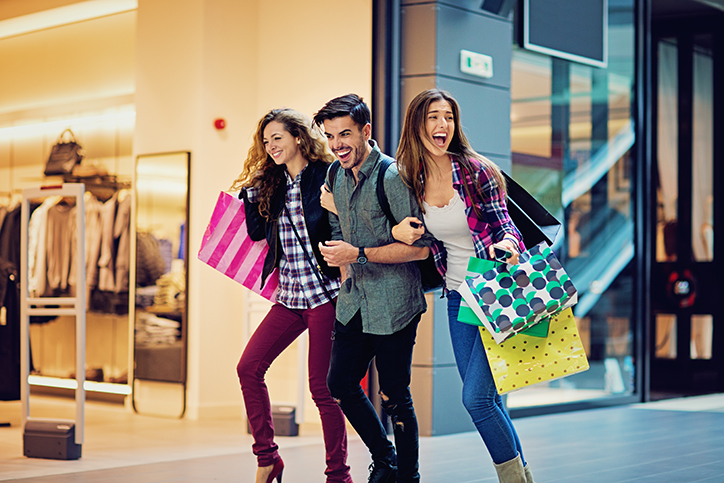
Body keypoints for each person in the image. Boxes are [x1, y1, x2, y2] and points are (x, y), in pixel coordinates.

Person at [390, 89, 536, 483]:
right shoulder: (411, 178)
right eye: (433, 118)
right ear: (417, 125)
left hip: (496, 293)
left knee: (476, 399)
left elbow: (504, 222)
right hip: (458, 299)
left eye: (448, 118)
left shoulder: (476, 170)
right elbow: (418, 238)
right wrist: (399, 231)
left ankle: (513, 479)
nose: (442, 126)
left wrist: (507, 243)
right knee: (492, 400)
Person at [314, 94, 433, 483]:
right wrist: (338, 256)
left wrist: (358, 253)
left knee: (395, 394)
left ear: (366, 131)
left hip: (396, 301)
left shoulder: (392, 176)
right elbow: (339, 232)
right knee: (340, 383)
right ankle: (385, 458)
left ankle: (408, 476)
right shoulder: (335, 175)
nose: (337, 145)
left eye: (345, 134)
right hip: (356, 301)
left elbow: (419, 250)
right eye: (330, 136)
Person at [231, 109, 352, 483]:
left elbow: (346, 220)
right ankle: (268, 458)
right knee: (248, 368)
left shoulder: (326, 175)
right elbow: (255, 233)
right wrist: (249, 193)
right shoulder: (273, 184)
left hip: (325, 295)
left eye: (277, 138)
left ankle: (338, 475)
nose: (270, 147)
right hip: (290, 296)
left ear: (298, 138)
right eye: (266, 142)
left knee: (322, 388)